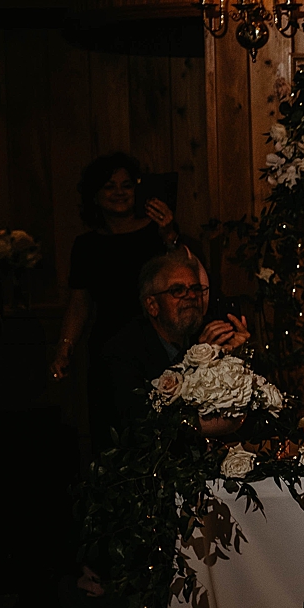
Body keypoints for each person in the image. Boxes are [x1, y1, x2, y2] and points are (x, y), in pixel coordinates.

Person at [50, 153, 181, 437]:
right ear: (95, 195)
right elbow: (79, 301)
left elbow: (184, 275)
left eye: (126, 185)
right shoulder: (86, 245)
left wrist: (169, 234)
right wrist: (65, 346)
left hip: (154, 342)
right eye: (110, 186)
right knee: (111, 430)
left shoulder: (155, 234)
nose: (119, 192)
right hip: (107, 346)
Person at [104, 248, 249, 433]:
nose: (191, 296)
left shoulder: (206, 331)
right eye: (178, 290)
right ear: (152, 305)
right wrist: (199, 360)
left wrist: (239, 357)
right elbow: (145, 423)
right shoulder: (123, 351)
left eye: (196, 289)